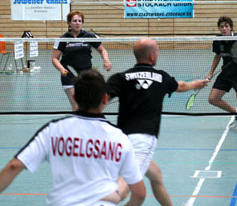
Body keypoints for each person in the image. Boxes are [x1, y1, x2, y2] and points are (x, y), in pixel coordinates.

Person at [0, 69, 145, 206]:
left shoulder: (53, 130)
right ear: (105, 99)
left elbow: (14, 166)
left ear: (74, 97)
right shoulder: (121, 138)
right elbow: (139, 194)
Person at [106, 38, 210, 205]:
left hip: (121, 140)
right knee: (123, 189)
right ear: (152, 56)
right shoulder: (162, 77)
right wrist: (195, 85)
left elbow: (100, 100)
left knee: (155, 176)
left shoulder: (120, 77)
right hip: (142, 140)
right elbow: (181, 86)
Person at [52, 11, 111, 111]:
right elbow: (54, 58)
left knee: (89, 105)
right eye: (75, 21)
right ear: (69, 23)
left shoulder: (89, 36)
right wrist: (61, 69)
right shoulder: (63, 39)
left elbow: (102, 50)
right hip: (68, 74)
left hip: (86, 75)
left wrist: (106, 60)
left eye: (80, 21)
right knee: (76, 106)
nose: (77, 23)